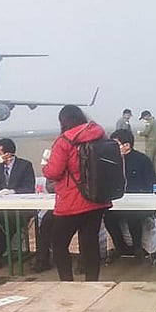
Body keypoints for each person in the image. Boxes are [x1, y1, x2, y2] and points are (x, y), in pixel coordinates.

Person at [42, 105, 111, 281]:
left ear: (63, 121)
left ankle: (68, 283)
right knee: (90, 243)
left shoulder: (64, 141)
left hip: (72, 201)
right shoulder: (100, 135)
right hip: (97, 198)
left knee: (59, 243)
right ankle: (92, 283)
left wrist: (45, 167)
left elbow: (54, 172)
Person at [0, 138, 36, 269]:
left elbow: (29, 187)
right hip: (5, 207)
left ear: (8, 153)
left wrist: (13, 191)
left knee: (8, 219)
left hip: (22, 208)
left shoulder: (25, 165)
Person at [104, 129, 156, 258]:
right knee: (108, 217)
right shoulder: (111, 162)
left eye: (115, 144)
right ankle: (121, 247)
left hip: (140, 203)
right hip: (117, 203)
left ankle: (138, 248)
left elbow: (151, 184)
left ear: (127, 145)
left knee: (133, 215)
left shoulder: (142, 160)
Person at [137, 110, 156, 181]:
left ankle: (149, 175)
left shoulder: (150, 122)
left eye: (144, 117)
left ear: (147, 115)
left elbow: (146, 132)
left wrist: (140, 133)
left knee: (149, 159)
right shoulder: (155, 121)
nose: (144, 119)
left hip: (150, 143)